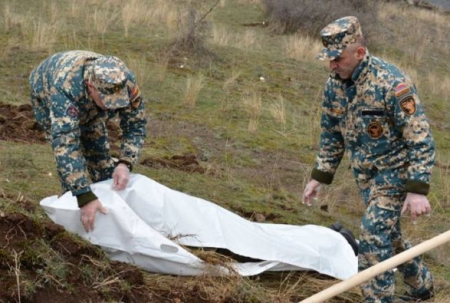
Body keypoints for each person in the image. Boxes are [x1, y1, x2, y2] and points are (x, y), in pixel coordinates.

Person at [302, 17, 435, 302]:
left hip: (395, 171)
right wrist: (319, 176)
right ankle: (422, 285)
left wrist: (416, 188)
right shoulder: (334, 85)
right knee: (388, 234)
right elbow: (331, 133)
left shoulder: (392, 84)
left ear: (359, 53)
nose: (332, 65)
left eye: (337, 58)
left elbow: (420, 137)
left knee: (373, 234)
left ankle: (377, 299)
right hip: (365, 175)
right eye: (329, 59)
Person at [29, 50, 147, 233]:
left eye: (118, 101)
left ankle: (109, 216)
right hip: (45, 88)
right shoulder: (65, 88)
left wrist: (125, 162)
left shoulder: (125, 82)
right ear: (91, 86)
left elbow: (136, 125)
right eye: (107, 101)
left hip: (86, 101)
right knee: (72, 172)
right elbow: (65, 144)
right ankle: (75, 217)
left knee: (102, 161)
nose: (112, 107)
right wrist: (84, 195)